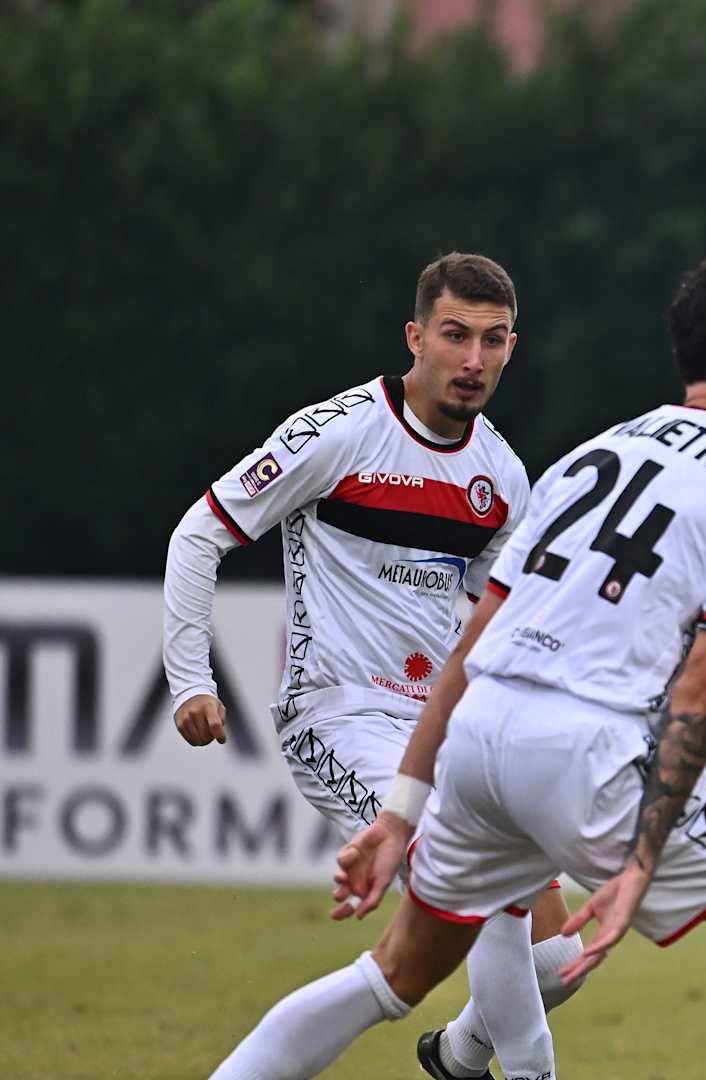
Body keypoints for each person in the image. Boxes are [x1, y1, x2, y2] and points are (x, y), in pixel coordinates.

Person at [206, 256, 706, 1080]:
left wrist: (400, 815)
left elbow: (475, 644)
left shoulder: (588, 457)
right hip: (590, 755)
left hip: (479, 740)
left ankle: (452, 1057)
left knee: (391, 976)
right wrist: (642, 859)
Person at [162, 252, 584, 1079]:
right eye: (455, 335)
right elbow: (199, 534)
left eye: (492, 340)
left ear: (511, 347)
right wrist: (190, 681)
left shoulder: (501, 477)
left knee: (560, 956)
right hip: (337, 712)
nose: (472, 359)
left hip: (440, 730)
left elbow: (502, 628)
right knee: (484, 900)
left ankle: (458, 1056)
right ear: (415, 337)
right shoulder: (339, 432)